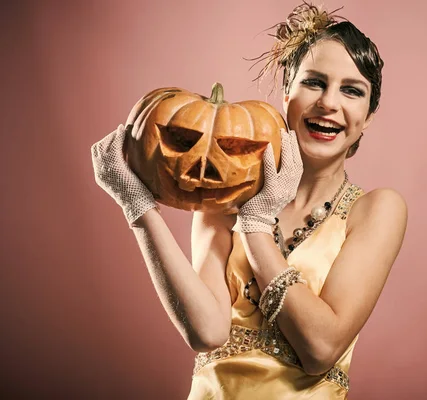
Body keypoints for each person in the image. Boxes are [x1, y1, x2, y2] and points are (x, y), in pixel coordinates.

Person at [91, 2, 407, 399]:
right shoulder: (222, 197)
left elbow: (321, 349)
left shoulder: (377, 210)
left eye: (351, 90)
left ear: (368, 115)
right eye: (314, 82)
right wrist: (137, 206)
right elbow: (206, 332)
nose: (329, 102)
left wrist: (255, 225)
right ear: (286, 93)